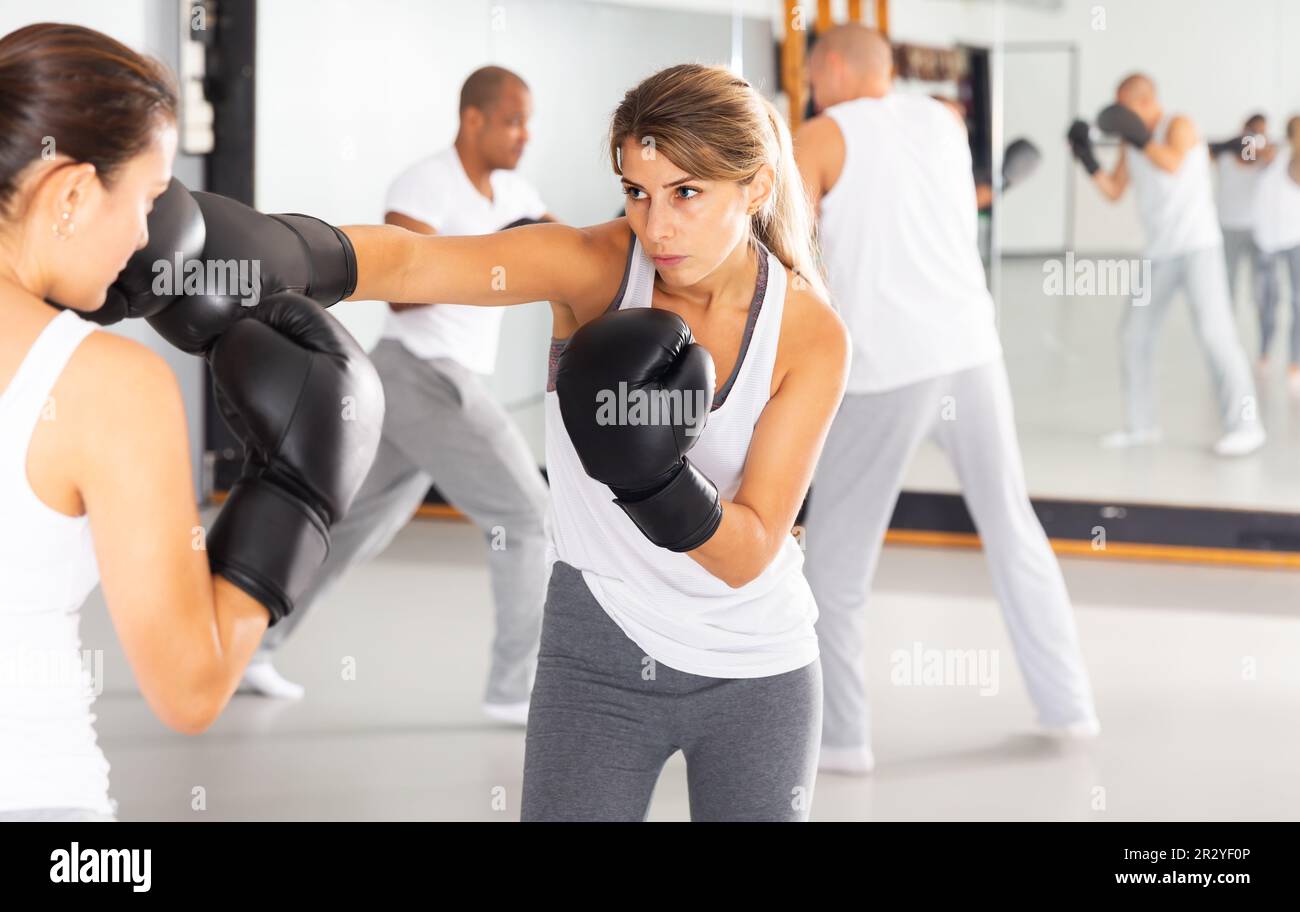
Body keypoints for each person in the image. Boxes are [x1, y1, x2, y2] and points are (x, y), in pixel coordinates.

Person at [337, 63, 849, 821]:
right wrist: (261, 254)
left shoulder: (809, 333)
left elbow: (749, 553)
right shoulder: (597, 266)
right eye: (638, 192)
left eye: (686, 193)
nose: (656, 226)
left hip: (757, 668)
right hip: (597, 652)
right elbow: (415, 261)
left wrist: (647, 478)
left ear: (757, 188)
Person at [0, 23, 381, 820]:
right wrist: (296, 492)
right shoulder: (106, 386)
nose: (146, 237)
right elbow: (191, 687)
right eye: (144, 200)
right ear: (70, 192)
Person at [793, 24, 1100, 776]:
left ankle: (842, 741)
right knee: (1012, 528)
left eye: (810, 72)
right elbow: (944, 209)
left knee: (834, 564)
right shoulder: (942, 120)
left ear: (831, 66)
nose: (808, 85)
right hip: (970, 353)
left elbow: (789, 248)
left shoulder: (818, 136)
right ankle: (1070, 706)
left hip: (884, 369)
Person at [243, 67, 555, 722]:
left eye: (529, 121)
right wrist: (498, 252)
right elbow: (403, 288)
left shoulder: (518, 191)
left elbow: (569, 253)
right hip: (421, 371)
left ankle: (248, 645)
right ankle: (512, 690)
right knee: (528, 517)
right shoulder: (425, 183)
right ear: (474, 119)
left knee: (349, 526)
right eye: (513, 120)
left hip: (429, 379)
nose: (525, 134)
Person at [1070, 74, 1265, 456]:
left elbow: (1173, 164)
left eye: (1124, 106)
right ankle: (1142, 426)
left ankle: (1247, 426)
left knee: (1215, 334)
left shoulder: (1179, 124)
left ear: (1142, 102)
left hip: (1197, 248)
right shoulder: (1131, 141)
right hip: (1158, 254)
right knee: (1133, 335)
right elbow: (1113, 190)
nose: (1121, 115)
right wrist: (1085, 156)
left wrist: (1139, 139)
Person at [1213, 113, 1279, 374]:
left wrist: (1261, 150)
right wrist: (1237, 143)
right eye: (1252, 132)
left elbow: (1275, 160)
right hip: (1228, 229)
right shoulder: (1226, 156)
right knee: (1226, 288)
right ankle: (1225, 345)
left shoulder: (1264, 160)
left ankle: (1264, 349)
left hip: (1258, 231)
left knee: (1262, 290)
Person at [1252, 116, 1300, 391]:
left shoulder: (1295, 164)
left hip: (1296, 241)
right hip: (1267, 242)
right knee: (1268, 302)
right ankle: (1264, 351)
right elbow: (1248, 155)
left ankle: (1295, 360)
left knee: (1298, 302)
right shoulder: (1273, 158)